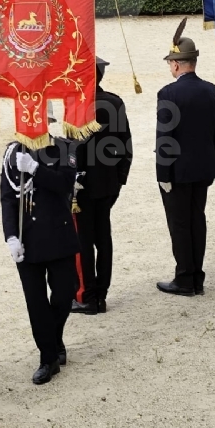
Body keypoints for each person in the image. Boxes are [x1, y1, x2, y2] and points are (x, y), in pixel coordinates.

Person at [0, 124, 81, 385]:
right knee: (36, 303)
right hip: (29, 239)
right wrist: (11, 236)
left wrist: (36, 169)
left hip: (59, 234)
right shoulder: (13, 153)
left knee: (65, 293)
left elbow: (65, 183)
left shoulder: (64, 148)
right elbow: (7, 198)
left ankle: (54, 338)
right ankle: (48, 358)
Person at [154, 20, 215, 296]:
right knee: (197, 220)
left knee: (180, 224)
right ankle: (196, 275)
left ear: (175, 64)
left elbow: (165, 138)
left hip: (177, 171)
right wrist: (214, 163)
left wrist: (163, 175)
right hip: (204, 167)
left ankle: (185, 277)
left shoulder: (169, 93)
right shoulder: (212, 90)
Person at [71, 57, 132, 315]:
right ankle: (102, 294)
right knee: (103, 239)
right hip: (108, 183)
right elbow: (125, 145)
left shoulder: (74, 103)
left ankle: (87, 296)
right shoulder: (115, 102)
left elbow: (73, 149)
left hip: (81, 187)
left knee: (83, 241)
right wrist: (119, 179)